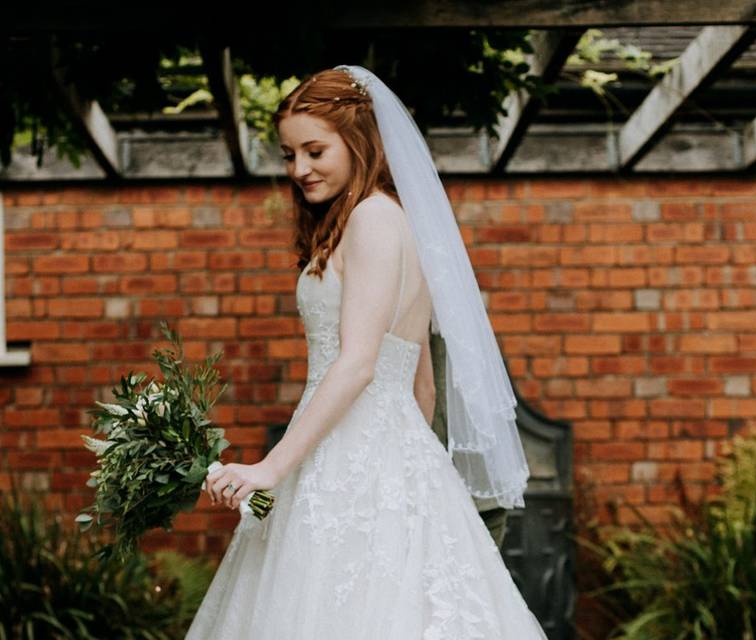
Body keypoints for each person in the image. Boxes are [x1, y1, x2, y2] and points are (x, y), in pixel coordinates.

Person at [185, 66, 548, 640]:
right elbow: (422, 386)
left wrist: (271, 467)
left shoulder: (372, 218)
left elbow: (358, 363)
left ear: (358, 141)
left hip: (344, 452)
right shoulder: (402, 225)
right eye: (289, 155)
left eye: (314, 150)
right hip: (384, 453)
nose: (299, 169)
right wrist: (407, 474)